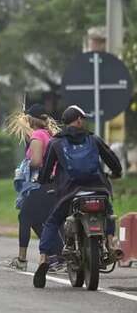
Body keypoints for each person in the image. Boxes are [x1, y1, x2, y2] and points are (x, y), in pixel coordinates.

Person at [33, 105, 123, 288]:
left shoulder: (56, 142)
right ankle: (111, 243)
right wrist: (116, 173)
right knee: (109, 213)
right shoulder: (94, 139)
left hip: (70, 193)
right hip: (98, 189)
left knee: (52, 222)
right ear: (79, 120)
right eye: (83, 118)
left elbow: (46, 171)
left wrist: (43, 180)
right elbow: (113, 161)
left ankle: (43, 258)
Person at [5, 104, 60, 271]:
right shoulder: (49, 135)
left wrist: (25, 167)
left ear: (29, 120)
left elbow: (36, 161)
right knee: (37, 220)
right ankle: (54, 256)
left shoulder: (37, 136)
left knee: (24, 217)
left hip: (39, 184)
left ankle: (22, 259)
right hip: (53, 184)